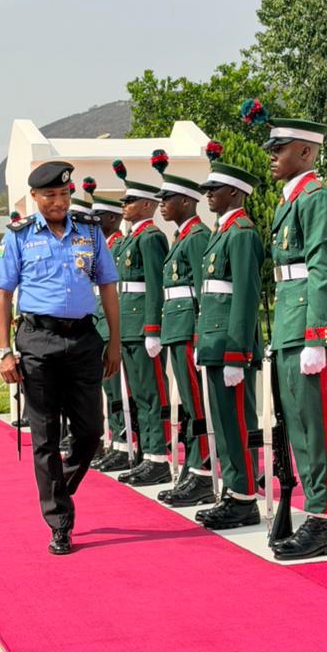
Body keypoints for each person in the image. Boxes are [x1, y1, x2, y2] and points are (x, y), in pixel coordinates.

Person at [0, 161, 120, 556]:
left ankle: (58, 487)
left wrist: (114, 342)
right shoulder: (18, 236)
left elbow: (107, 286)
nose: (59, 202)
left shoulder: (90, 232)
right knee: (45, 436)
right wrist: (4, 350)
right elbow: (2, 293)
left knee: (91, 431)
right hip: (38, 340)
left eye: (64, 194)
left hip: (83, 339)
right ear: (35, 197)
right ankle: (60, 523)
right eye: (50, 195)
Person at [261, 115, 327, 560]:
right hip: (289, 321)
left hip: (305, 324)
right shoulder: (290, 201)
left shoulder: (316, 199)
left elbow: (322, 269)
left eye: (278, 149)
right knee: (297, 425)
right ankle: (314, 515)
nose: (272, 157)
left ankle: (322, 520)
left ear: (304, 151)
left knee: (314, 425)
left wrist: (316, 335)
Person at [194, 159, 264, 530]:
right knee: (222, 423)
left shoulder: (241, 233)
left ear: (234, 192)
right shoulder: (222, 232)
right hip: (214, 342)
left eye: (214, 189)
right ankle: (233, 491)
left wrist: (237, 353)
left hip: (230, 345)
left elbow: (245, 296)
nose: (207, 195)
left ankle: (244, 497)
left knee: (236, 422)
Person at [150, 159, 216, 507]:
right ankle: (193, 466)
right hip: (176, 326)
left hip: (189, 326)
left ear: (187, 201)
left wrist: (201, 333)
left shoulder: (197, 237)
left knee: (196, 403)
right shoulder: (182, 237)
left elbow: (203, 290)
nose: (162, 204)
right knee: (187, 404)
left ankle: (202, 471)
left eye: (168, 198)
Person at [111, 160, 172, 486]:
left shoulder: (150, 238)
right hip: (128, 326)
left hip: (142, 328)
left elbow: (154, 285)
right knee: (137, 394)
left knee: (151, 394)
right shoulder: (129, 240)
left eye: (130, 201)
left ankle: (157, 457)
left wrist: (152, 328)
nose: (125, 205)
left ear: (147, 206)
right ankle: (146, 453)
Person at [89, 193, 129, 471]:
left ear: (113, 219)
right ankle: (115, 442)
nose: (93, 221)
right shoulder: (100, 247)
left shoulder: (119, 245)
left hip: (115, 325)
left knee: (121, 391)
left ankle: (124, 444)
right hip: (98, 324)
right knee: (109, 391)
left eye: (98, 216)